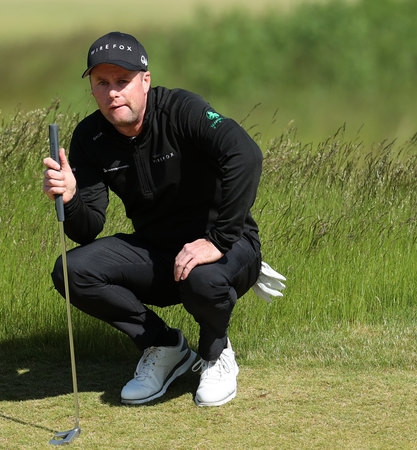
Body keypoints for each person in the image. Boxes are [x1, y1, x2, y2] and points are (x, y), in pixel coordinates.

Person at [42, 31, 264, 407]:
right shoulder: (90, 137)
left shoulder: (180, 109)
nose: (113, 92)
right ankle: (164, 347)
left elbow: (246, 155)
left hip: (228, 245)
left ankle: (215, 352)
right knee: (71, 270)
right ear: (92, 89)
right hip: (158, 253)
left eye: (123, 81)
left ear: (145, 81)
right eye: (102, 83)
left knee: (203, 276)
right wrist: (72, 196)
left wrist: (219, 239)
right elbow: (86, 228)